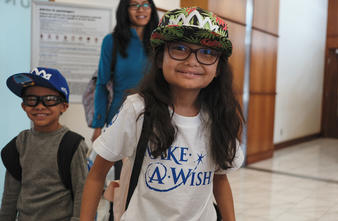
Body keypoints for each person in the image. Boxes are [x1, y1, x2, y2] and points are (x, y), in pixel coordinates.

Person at [81, 7, 244, 221]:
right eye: (179, 48)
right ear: (159, 59)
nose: (192, 61)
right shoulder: (137, 109)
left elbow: (220, 179)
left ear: (218, 68)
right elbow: (97, 174)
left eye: (207, 52)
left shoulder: (219, 115)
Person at [0, 67, 88, 220]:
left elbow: (82, 193)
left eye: (49, 100)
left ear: (64, 106)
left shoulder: (72, 144)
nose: (40, 106)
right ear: (24, 106)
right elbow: (10, 196)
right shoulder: (18, 145)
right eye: (32, 100)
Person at [91, 0, 159, 141]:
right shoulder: (111, 41)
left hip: (155, 116)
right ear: (125, 10)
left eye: (146, 4)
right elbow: (102, 84)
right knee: (121, 163)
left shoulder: (160, 41)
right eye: (135, 5)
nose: (141, 9)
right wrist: (98, 125)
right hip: (119, 116)